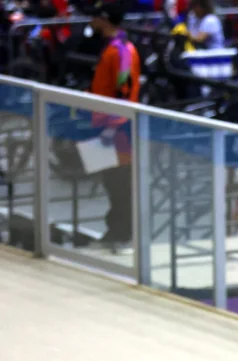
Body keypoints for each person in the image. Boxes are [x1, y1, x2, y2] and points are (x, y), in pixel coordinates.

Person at [86, 0, 140, 247]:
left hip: (117, 129)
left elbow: (124, 91)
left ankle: (121, 232)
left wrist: (112, 126)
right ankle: (115, 230)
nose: (91, 21)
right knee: (109, 180)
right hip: (102, 124)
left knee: (120, 182)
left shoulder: (121, 50)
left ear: (104, 19)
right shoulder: (111, 47)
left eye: (95, 17)